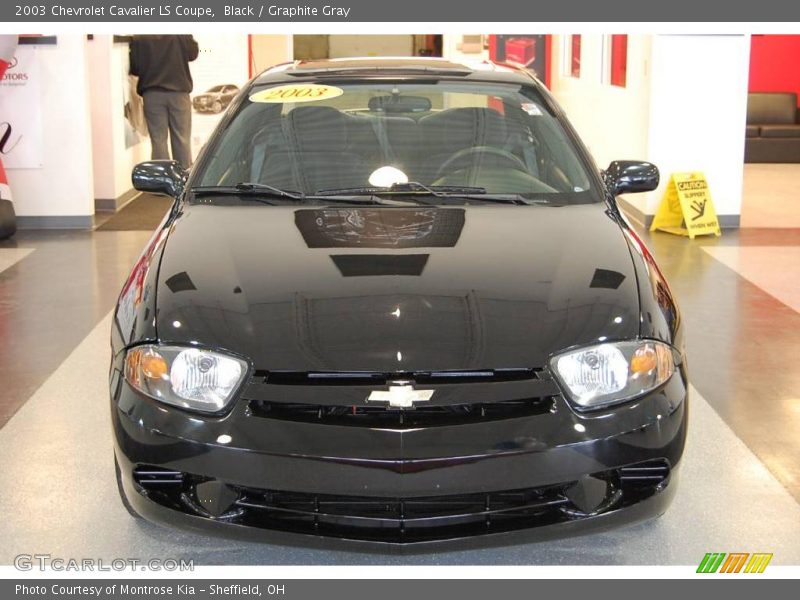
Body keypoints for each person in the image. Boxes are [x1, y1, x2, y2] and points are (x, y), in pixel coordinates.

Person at [129, 35, 199, 168]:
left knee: (158, 140)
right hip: (179, 93)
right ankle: (183, 179)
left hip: (152, 94)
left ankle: (161, 182)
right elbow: (193, 54)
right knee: (182, 139)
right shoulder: (180, 33)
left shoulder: (140, 37)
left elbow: (135, 68)